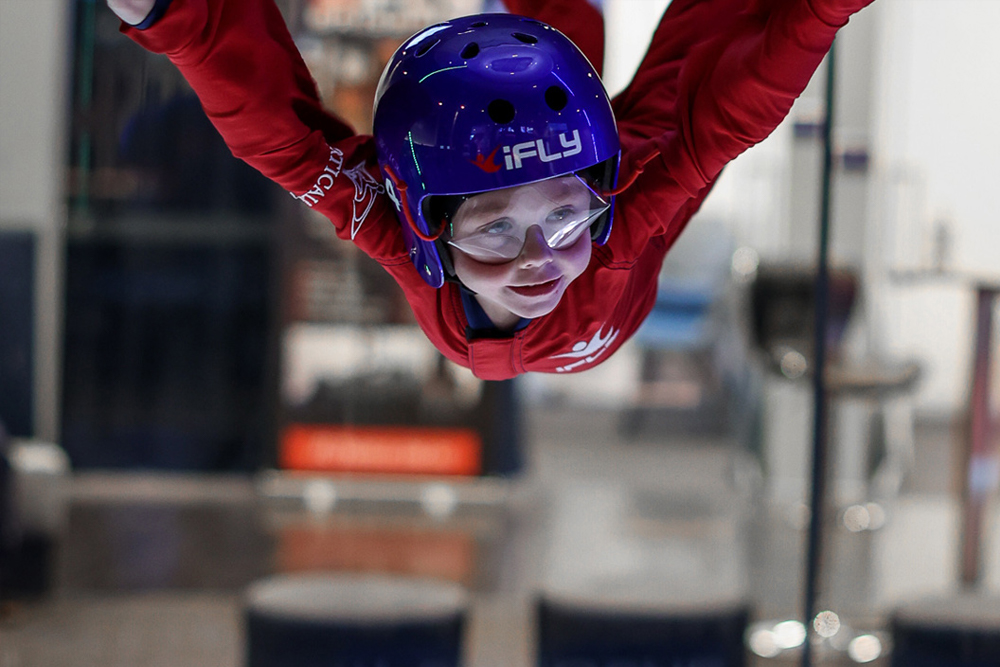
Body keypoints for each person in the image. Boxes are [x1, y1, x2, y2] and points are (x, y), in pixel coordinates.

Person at [107, 0, 874, 380]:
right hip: (621, 205)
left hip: (602, 158)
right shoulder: (614, 225)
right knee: (693, 102)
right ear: (434, 224)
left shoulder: (422, 230)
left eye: (562, 217)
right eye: (499, 228)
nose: (541, 258)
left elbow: (282, 142)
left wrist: (175, 16)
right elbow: (727, 122)